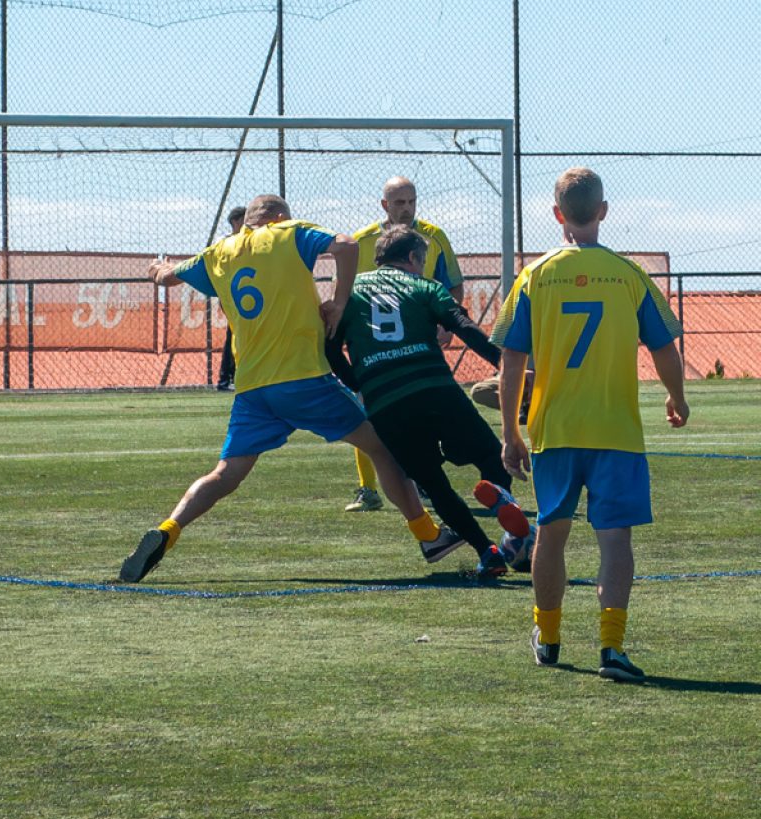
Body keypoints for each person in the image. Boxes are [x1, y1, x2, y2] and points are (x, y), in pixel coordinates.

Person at [120, 193, 464, 583]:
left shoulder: (219, 252)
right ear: (279, 217)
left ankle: (168, 530)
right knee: (381, 446)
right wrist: (338, 300)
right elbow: (347, 246)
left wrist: (158, 267)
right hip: (303, 379)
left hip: (252, 388)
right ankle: (428, 536)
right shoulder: (289, 233)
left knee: (224, 475)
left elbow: (167, 278)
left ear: (248, 222)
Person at [493, 167, 689, 679]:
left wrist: (512, 430)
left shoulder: (535, 275)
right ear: (603, 211)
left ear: (558, 215)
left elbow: (511, 359)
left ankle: (550, 638)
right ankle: (612, 649)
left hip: (554, 429)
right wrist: (677, 396)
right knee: (615, 541)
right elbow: (665, 347)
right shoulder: (628, 275)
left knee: (551, 534)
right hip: (616, 431)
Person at [327, 225, 531, 578]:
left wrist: (358, 384)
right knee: (489, 455)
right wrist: (503, 364)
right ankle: (500, 497)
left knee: (434, 485)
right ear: (412, 258)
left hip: (386, 402)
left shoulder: (350, 290)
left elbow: (329, 346)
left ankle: (488, 553)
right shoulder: (424, 286)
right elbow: (463, 325)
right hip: (435, 387)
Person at [344, 176, 465, 512]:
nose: (407, 209)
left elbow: (453, 286)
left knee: (421, 410)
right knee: (366, 410)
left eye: (411, 201)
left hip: (418, 340)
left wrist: (446, 323)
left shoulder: (434, 237)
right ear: (385, 205)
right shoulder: (359, 241)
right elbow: (346, 293)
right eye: (399, 203)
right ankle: (368, 491)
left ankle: (425, 479)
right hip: (372, 344)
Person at [215, 205, 245, 392]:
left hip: (248, 294)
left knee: (242, 335)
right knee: (233, 335)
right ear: (235, 221)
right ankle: (225, 379)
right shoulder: (224, 242)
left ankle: (236, 377)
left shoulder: (250, 239)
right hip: (231, 294)